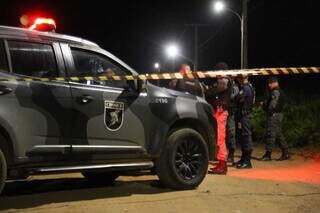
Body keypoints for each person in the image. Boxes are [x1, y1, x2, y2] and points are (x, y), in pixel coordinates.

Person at [260, 77, 290, 161]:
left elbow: (272, 105)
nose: (269, 85)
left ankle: (268, 154)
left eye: (270, 83)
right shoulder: (280, 91)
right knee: (278, 134)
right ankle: (286, 152)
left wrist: (266, 107)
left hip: (274, 115)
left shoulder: (275, 92)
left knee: (271, 134)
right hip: (278, 114)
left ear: (275, 83)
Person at [206, 77, 231, 174]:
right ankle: (221, 164)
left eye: (220, 83)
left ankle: (222, 165)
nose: (219, 84)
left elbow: (221, 91)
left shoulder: (224, 84)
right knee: (219, 139)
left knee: (220, 139)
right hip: (219, 113)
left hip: (221, 113)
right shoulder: (224, 89)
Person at [235, 76, 255, 169]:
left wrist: (237, 97)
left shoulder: (246, 88)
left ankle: (247, 161)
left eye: (238, 78)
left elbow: (238, 98)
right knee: (243, 136)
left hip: (245, 115)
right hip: (244, 115)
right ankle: (243, 159)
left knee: (246, 136)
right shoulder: (248, 87)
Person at [226, 78, 239, 164]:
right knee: (225, 134)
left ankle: (231, 154)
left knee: (231, 133)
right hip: (225, 112)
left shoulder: (234, 88)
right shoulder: (226, 87)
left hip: (231, 113)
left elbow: (232, 97)